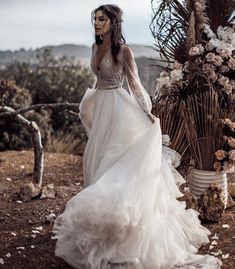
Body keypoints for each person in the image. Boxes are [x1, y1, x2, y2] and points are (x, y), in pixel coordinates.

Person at [52, 4, 222, 269]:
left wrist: (148, 113)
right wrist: (89, 106)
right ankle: (102, 231)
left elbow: (135, 84)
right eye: (95, 19)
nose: (97, 23)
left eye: (102, 19)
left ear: (113, 22)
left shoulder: (124, 51)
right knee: (97, 162)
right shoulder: (95, 48)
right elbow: (98, 82)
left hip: (121, 113)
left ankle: (124, 235)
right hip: (103, 113)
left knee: (115, 167)